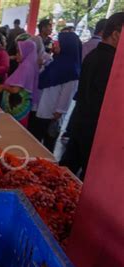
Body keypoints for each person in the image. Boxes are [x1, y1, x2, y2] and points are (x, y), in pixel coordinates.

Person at [60, 12, 124, 179]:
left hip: (81, 122)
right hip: (96, 130)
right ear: (116, 35)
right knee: (89, 179)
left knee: (66, 172)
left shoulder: (93, 55)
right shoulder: (112, 62)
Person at [28, 31, 82, 152]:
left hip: (51, 114)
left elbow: (67, 95)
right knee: (33, 140)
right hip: (39, 108)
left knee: (47, 144)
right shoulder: (55, 62)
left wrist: (58, 113)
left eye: (59, 43)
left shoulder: (72, 71)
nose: (55, 45)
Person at [0, 40, 39, 127]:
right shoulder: (29, 64)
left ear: (26, 52)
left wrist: (2, 87)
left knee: (14, 129)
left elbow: (15, 89)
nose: (17, 54)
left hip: (18, 107)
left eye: (19, 51)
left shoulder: (26, 66)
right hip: (19, 105)